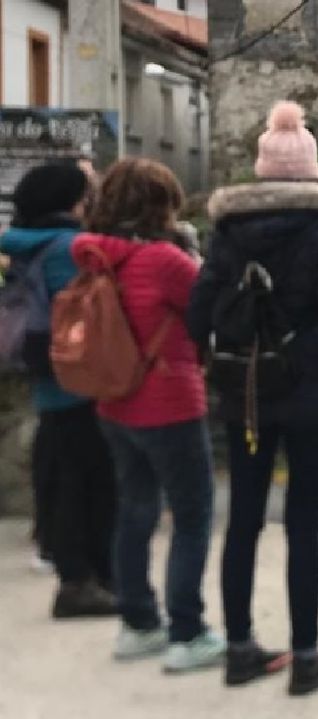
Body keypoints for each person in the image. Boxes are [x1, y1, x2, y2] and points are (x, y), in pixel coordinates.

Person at [188, 100, 318, 694]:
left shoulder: (228, 230)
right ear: (311, 168)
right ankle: (306, 657)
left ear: (262, 169)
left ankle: (240, 650)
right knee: (302, 525)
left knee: (242, 519)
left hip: (244, 392)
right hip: (310, 390)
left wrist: (209, 364)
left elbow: (200, 305)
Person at [72, 158, 224, 672]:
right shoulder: (164, 261)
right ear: (160, 207)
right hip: (170, 402)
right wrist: (192, 252)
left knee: (134, 511)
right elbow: (211, 306)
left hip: (114, 402)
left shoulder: (94, 256)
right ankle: (188, 633)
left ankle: (138, 624)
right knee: (192, 515)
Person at [1, 161, 117, 618]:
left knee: (63, 476)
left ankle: (73, 571)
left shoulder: (22, 245)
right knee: (95, 481)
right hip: (82, 376)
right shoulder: (69, 248)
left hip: (45, 376)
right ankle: (85, 580)